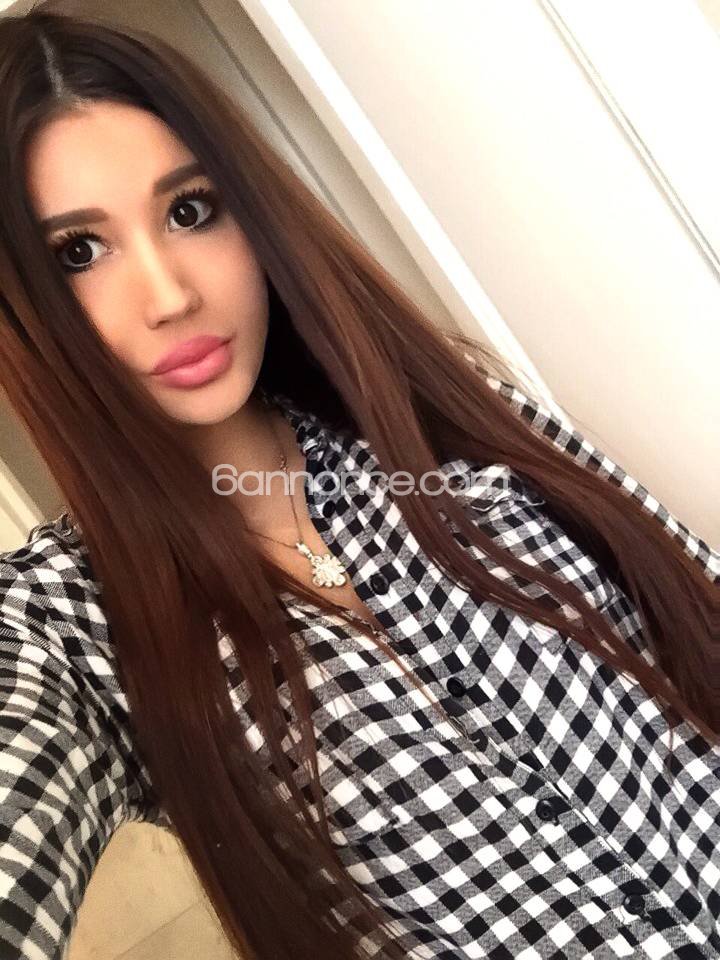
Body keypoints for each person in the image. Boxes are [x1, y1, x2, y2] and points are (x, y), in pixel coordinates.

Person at [0, 10, 717, 960]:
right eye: (77, 254)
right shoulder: (71, 624)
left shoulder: (433, 424)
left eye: (191, 210)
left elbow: (693, 599)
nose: (170, 296)